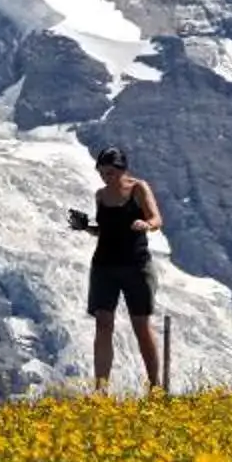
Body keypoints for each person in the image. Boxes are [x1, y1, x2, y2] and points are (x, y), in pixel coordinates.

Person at [70, 146, 164, 393]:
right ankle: (101, 389)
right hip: (104, 265)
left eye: (110, 172)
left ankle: (155, 386)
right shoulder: (100, 196)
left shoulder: (138, 188)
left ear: (123, 169)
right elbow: (104, 230)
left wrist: (146, 224)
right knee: (103, 323)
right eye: (102, 173)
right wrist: (85, 227)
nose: (106, 177)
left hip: (136, 264)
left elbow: (156, 218)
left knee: (141, 326)